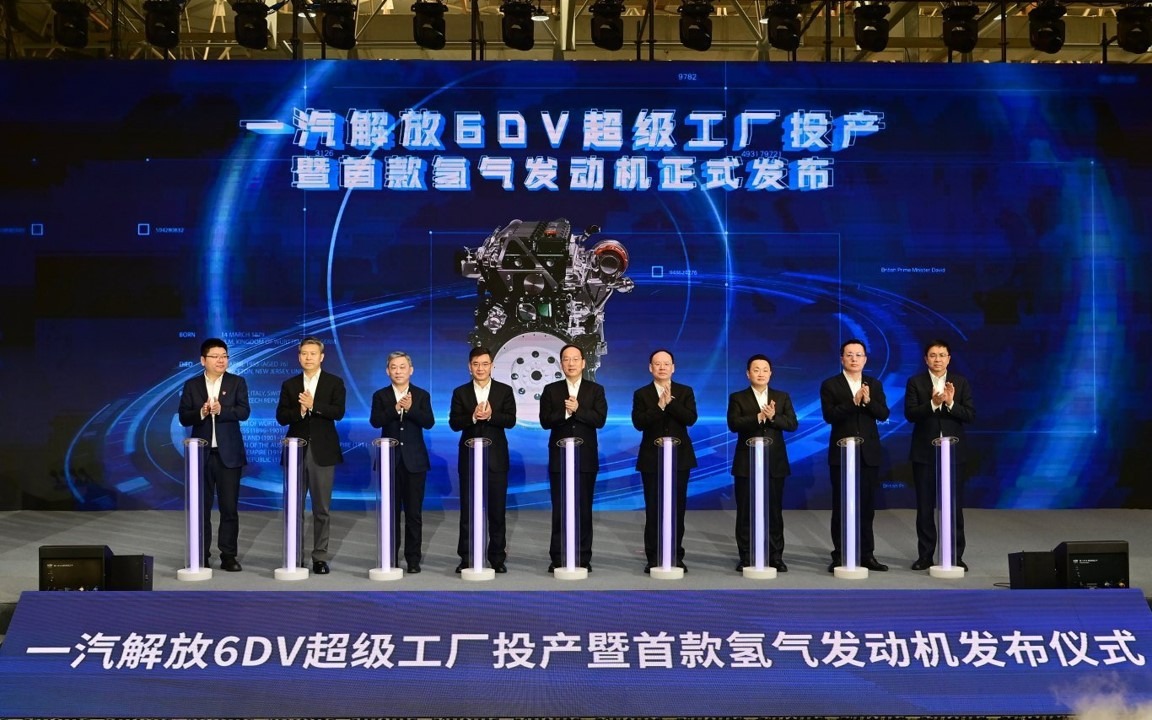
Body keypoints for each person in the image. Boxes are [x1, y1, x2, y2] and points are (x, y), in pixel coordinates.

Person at [178, 338, 250, 572]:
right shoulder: (192, 385)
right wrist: (201, 412)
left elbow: (244, 412)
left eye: (224, 356)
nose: (221, 360)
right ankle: (201, 555)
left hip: (229, 455)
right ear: (203, 360)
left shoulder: (237, 382)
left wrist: (222, 410)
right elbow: (184, 417)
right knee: (201, 509)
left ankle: (228, 556)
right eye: (216, 356)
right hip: (201, 456)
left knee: (229, 508)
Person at [276, 337, 346, 575]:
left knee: (321, 509)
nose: (308, 357)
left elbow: (338, 412)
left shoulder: (334, 382)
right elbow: (281, 417)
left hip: (322, 453)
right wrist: (300, 410)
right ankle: (294, 556)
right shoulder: (290, 384)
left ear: (321, 357)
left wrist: (314, 405)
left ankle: (319, 557)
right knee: (294, 508)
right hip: (295, 451)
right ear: (299, 357)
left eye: (313, 353)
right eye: (304, 353)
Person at [819, 338, 890, 573]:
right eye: (849, 354)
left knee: (867, 507)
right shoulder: (830, 384)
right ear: (842, 358)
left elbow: (883, 413)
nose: (854, 359)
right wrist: (853, 402)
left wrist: (868, 401)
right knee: (842, 506)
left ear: (865, 359)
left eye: (858, 355)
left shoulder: (874, 384)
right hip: (841, 454)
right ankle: (840, 554)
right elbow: (830, 415)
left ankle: (867, 554)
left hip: (868, 453)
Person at [904, 339, 975, 571]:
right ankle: (925, 555)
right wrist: (933, 404)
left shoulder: (961, 382)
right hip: (924, 453)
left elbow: (970, 415)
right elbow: (911, 414)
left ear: (949, 359)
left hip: (953, 454)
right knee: (925, 507)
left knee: (953, 506)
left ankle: (954, 555)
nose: (937, 359)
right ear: (926, 359)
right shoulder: (915, 382)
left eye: (942, 355)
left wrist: (951, 402)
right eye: (933, 355)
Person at [539, 344, 608, 573]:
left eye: (575, 359)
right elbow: (545, 421)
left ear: (583, 363)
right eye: (566, 359)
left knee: (584, 508)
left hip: (585, 458)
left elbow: (599, 420)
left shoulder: (595, 390)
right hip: (560, 458)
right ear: (561, 363)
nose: (571, 363)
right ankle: (558, 557)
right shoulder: (551, 390)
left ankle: (583, 557)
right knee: (560, 508)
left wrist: (578, 409)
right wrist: (565, 413)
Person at [726, 354, 797, 572]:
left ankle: (775, 556)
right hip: (746, 463)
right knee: (745, 512)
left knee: (774, 512)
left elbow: (792, 424)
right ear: (748, 374)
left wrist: (773, 417)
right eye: (756, 370)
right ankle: (746, 556)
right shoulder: (738, 397)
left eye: (765, 370)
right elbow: (734, 424)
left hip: (774, 462)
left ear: (771, 373)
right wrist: (758, 417)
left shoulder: (781, 397)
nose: (761, 373)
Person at [449, 346, 517, 573]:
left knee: (497, 512)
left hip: (496, 460)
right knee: (468, 511)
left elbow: (510, 420)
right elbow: (454, 423)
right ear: (470, 367)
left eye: (485, 364)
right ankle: (467, 557)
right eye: (476, 364)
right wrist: (472, 417)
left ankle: (497, 558)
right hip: (469, 459)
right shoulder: (460, 392)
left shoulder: (504, 390)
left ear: (492, 366)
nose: (480, 368)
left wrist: (491, 416)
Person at [631, 349, 698, 573]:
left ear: (673, 367)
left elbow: (691, 418)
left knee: (677, 509)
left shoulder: (685, 391)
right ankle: (653, 557)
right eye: (657, 364)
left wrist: (671, 403)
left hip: (680, 458)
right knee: (654, 508)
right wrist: (659, 406)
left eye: (666, 364)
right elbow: (639, 423)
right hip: (652, 458)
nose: (662, 367)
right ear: (650, 368)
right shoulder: (642, 394)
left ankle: (675, 555)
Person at [369, 351, 435, 574]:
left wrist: (411, 408)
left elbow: (429, 422)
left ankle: (413, 559)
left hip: (415, 462)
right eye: (394, 367)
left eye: (402, 367)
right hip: (390, 462)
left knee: (414, 514)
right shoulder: (381, 395)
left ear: (411, 370)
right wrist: (396, 408)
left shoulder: (421, 395)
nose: (398, 371)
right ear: (387, 371)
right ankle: (390, 558)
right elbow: (375, 421)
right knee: (391, 514)